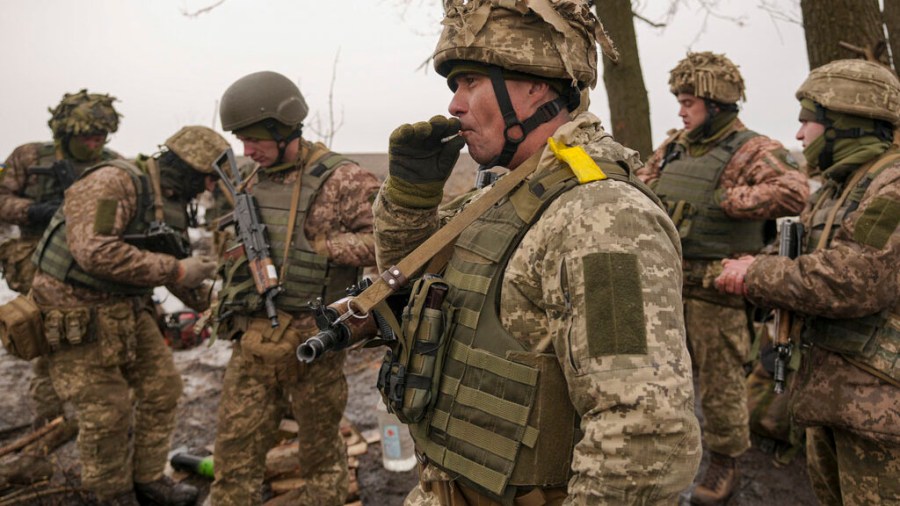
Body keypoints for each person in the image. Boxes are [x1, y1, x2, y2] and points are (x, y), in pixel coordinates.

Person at [371, 1, 701, 503]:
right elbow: (403, 290)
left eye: (472, 82)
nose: (455, 106)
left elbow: (642, 434)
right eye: (454, 87)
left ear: (537, 85)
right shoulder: (505, 195)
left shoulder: (602, 215)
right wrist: (410, 200)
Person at [716, 58, 900, 505]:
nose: (799, 136)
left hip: (881, 412)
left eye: (808, 123)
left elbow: (856, 278)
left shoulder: (891, 184)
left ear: (845, 123)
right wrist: (752, 263)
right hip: (841, 400)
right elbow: (802, 256)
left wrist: (756, 274)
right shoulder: (841, 189)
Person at [636, 51, 809, 504]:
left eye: (688, 100)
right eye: (678, 100)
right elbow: (642, 184)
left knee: (720, 389)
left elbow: (795, 191)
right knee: (656, 380)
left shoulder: (752, 149)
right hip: (666, 288)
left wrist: (726, 200)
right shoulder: (674, 146)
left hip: (718, 290)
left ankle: (724, 463)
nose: (680, 109)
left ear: (716, 103)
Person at [29, 125, 226, 505]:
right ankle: (113, 494)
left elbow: (174, 269)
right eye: (206, 178)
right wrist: (177, 269)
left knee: (162, 388)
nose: (208, 189)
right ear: (185, 168)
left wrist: (220, 312)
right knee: (107, 411)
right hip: (73, 309)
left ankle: (148, 478)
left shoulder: (166, 199)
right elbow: (94, 252)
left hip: (126, 306)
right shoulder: (115, 182)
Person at [210, 70, 380, 505]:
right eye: (241, 141)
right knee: (233, 458)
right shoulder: (250, 179)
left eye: (254, 141)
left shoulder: (343, 178)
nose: (247, 151)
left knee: (322, 455)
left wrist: (325, 247)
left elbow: (393, 243)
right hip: (252, 343)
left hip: (313, 345)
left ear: (284, 128)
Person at [0, 90, 121, 429]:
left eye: (102, 136)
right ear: (67, 133)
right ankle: (50, 418)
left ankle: (98, 413)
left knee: (90, 336)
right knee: (48, 332)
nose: (96, 144)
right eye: (88, 137)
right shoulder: (26, 156)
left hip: (89, 261)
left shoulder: (112, 162)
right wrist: (32, 211)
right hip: (34, 255)